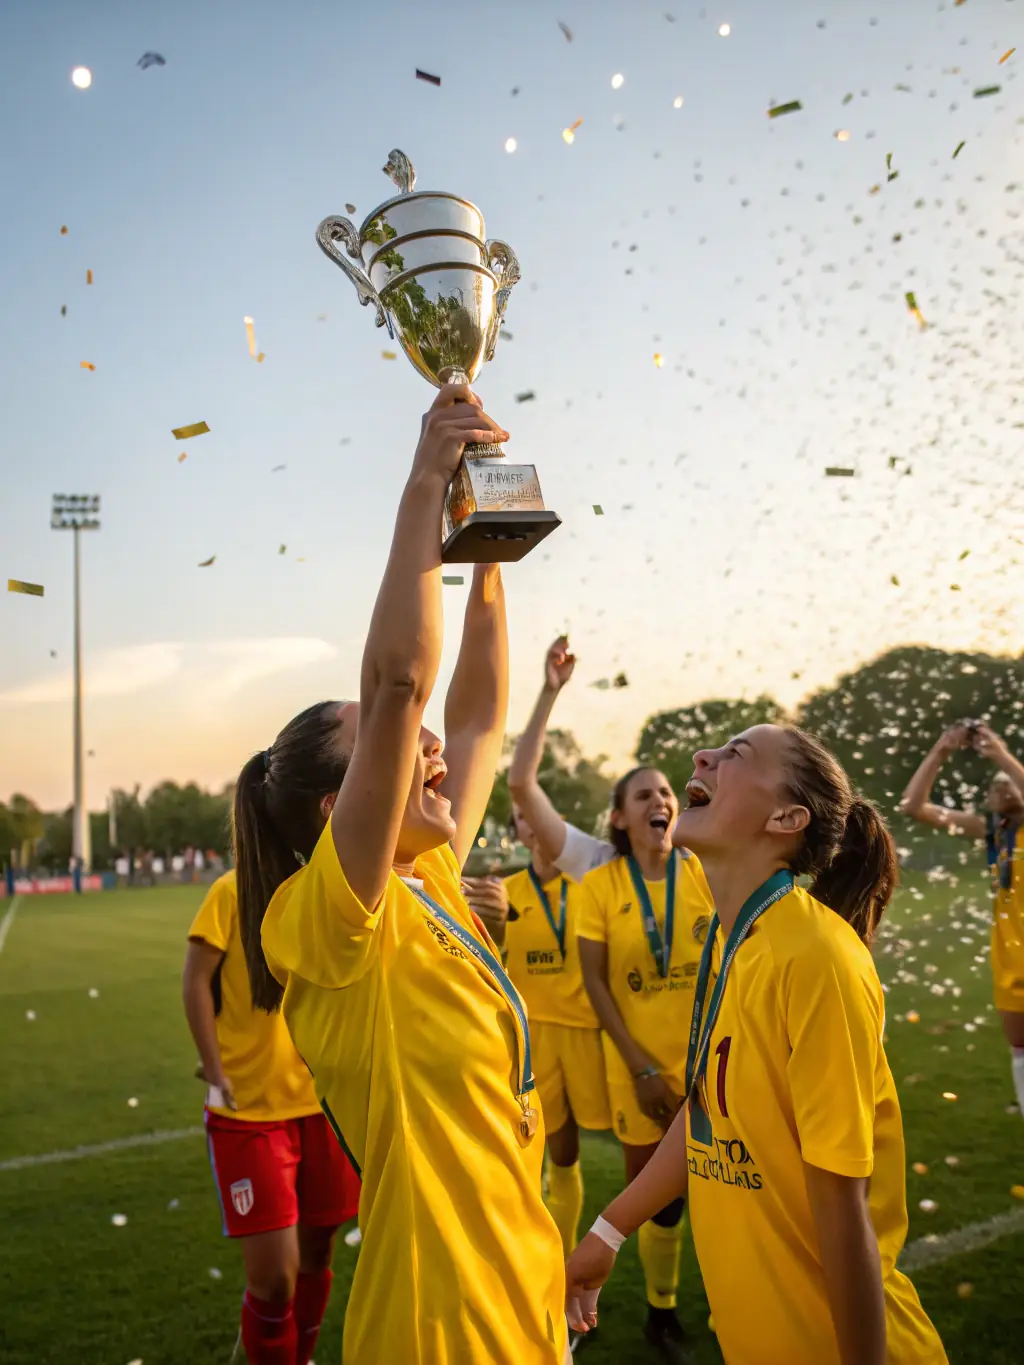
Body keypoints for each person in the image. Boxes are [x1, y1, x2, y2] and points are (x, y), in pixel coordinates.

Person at [234, 386, 567, 1365]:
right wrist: (425, 479)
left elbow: (471, 716)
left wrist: (489, 542)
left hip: (522, 1293)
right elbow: (400, 686)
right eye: (389, 749)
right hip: (437, 1326)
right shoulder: (322, 922)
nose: (427, 751)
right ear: (342, 813)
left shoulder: (429, 882)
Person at [565, 724, 948, 1365]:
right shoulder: (735, 939)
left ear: (786, 817)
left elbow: (842, 1205)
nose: (702, 756)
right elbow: (711, 1112)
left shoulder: (817, 957)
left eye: (735, 754)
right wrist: (610, 1228)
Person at [509, 636, 714, 1362]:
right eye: (642, 794)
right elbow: (522, 784)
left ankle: (673, 1309)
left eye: (666, 790)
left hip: (710, 1064)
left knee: (712, 1192)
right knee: (649, 1191)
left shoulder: (704, 865)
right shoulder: (599, 867)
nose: (660, 799)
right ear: (619, 818)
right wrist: (550, 691)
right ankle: (642, 1308)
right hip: (642, 1068)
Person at [182, 869, 360, 1365]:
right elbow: (196, 977)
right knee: (275, 1279)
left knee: (318, 1253)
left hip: (321, 1104)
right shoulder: (230, 890)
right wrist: (215, 1068)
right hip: (250, 1110)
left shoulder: (324, 884)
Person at [497, 803, 612, 1258]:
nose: (535, 822)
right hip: (533, 1038)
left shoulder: (593, 886)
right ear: (519, 831)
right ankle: (554, 1262)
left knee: (582, 1154)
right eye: (522, 815)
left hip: (588, 1032)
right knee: (546, 1152)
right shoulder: (503, 893)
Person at [901, 721, 1024, 1117]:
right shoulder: (996, 832)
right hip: (1011, 951)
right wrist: (940, 751)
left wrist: (1001, 754)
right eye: (995, 784)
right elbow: (914, 808)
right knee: (1020, 1046)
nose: (1002, 786)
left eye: (1010, 781)